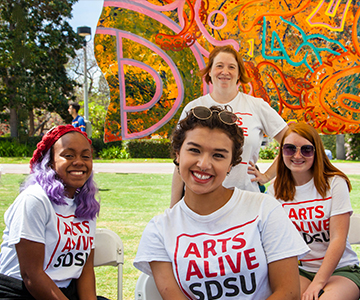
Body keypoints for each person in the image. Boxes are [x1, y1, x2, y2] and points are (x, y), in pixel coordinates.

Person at [134, 106, 309, 300]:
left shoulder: (265, 209)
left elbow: (289, 292)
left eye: (218, 155)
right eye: (194, 150)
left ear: (231, 164)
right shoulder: (159, 230)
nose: (203, 164)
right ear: (178, 154)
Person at [171, 45, 288, 206]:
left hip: (245, 202)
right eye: (219, 66)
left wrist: (267, 176)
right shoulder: (194, 108)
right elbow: (179, 163)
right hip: (200, 203)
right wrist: (174, 207)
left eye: (231, 67)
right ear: (210, 72)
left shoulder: (256, 106)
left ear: (239, 74)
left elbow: (292, 142)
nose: (225, 71)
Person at [0, 125, 104, 300]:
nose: (79, 161)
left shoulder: (85, 206)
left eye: (86, 156)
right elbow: (31, 275)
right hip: (21, 291)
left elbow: (85, 269)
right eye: (68, 155)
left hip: (64, 291)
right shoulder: (34, 200)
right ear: (49, 162)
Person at [267, 122, 360, 300]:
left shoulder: (334, 183)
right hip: (300, 271)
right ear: (281, 153)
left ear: (316, 152)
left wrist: (318, 282)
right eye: (289, 149)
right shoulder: (275, 191)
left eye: (306, 150)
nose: (297, 155)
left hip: (341, 269)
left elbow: (338, 239)